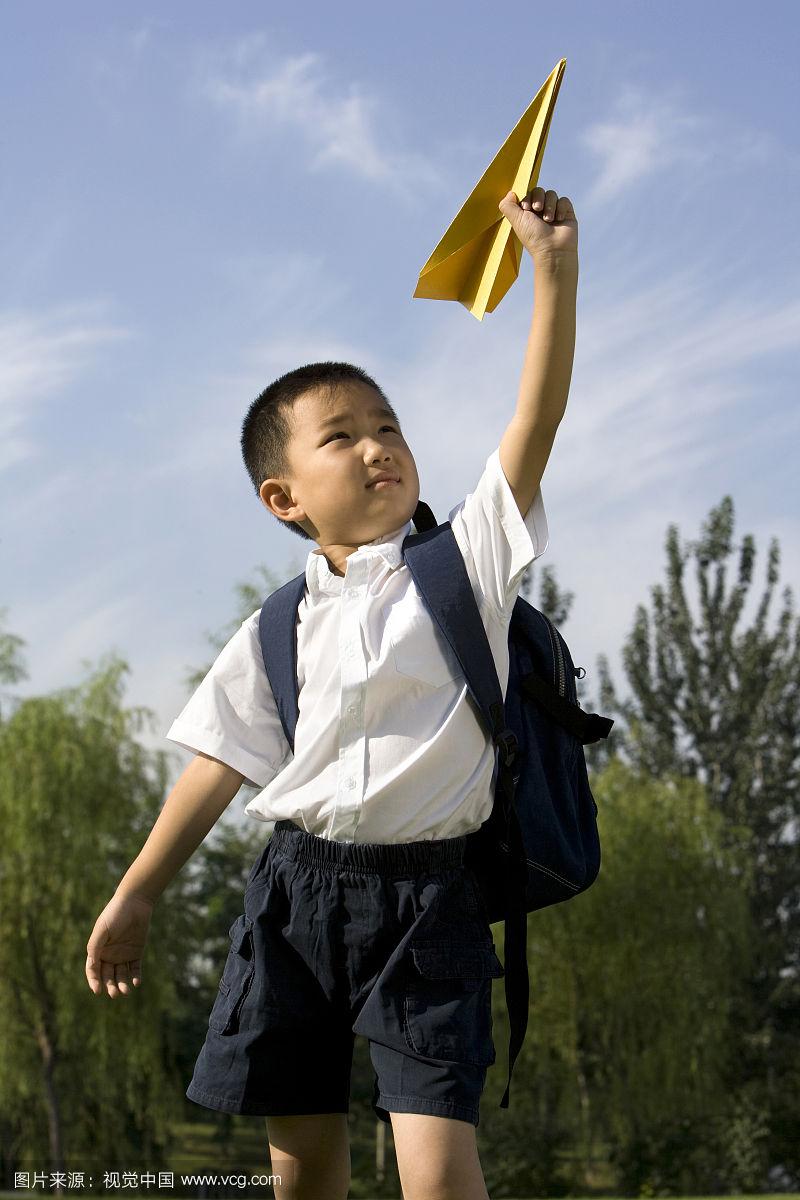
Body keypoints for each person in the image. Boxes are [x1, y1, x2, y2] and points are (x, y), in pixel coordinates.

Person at [85, 185, 579, 1200]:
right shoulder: (278, 624)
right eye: (341, 434)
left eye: (387, 425)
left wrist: (551, 269)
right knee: (303, 1170)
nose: (377, 445)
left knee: (436, 1173)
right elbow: (215, 767)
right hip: (295, 894)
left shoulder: (466, 564)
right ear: (284, 497)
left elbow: (534, 421)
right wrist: (135, 895)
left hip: (429, 900)